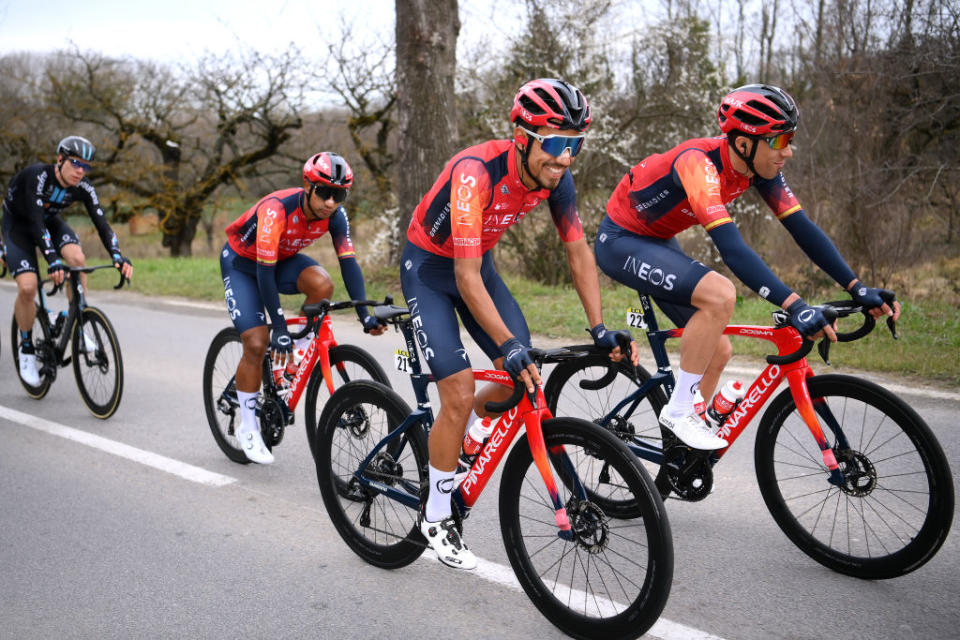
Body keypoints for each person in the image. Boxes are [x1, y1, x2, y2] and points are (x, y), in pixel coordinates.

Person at [401, 78, 638, 570]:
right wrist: (506, 342)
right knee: (459, 391)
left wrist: (600, 328)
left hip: (477, 266)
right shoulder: (475, 173)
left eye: (574, 145)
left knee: (522, 374)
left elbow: (578, 253)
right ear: (522, 136)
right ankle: (437, 513)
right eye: (554, 143)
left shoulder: (557, 177)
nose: (564, 157)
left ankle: (462, 440)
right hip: (430, 270)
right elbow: (463, 277)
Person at [595, 83, 900, 450]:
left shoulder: (760, 167)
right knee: (721, 295)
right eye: (778, 140)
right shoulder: (699, 165)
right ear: (743, 143)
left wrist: (857, 287)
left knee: (718, 350)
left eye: (789, 138)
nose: (787, 151)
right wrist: (795, 306)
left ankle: (681, 449)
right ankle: (678, 413)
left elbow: (802, 228)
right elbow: (733, 250)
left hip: (658, 239)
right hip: (621, 241)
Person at [220, 151, 386, 465]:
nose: (330, 202)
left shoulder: (336, 216)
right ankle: (248, 425)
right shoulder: (276, 211)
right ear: (307, 185)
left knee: (322, 284)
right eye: (324, 192)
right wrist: (279, 327)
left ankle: (295, 354)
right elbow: (263, 273)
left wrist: (365, 314)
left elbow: (348, 264)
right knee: (256, 343)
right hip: (243, 265)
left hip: (279, 261)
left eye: (340, 194)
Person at [1, 135, 134, 387]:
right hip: (19, 226)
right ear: (59, 159)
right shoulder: (37, 177)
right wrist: (51, 260)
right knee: (28, 287)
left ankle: (79, 320)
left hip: (47, 222)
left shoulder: (83, 188)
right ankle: (26, 349)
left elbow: (102, 224)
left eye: (86, 166)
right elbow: (35, 222)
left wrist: (117, 256)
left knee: (78, 258)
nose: (80, 171)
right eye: (75, 163)